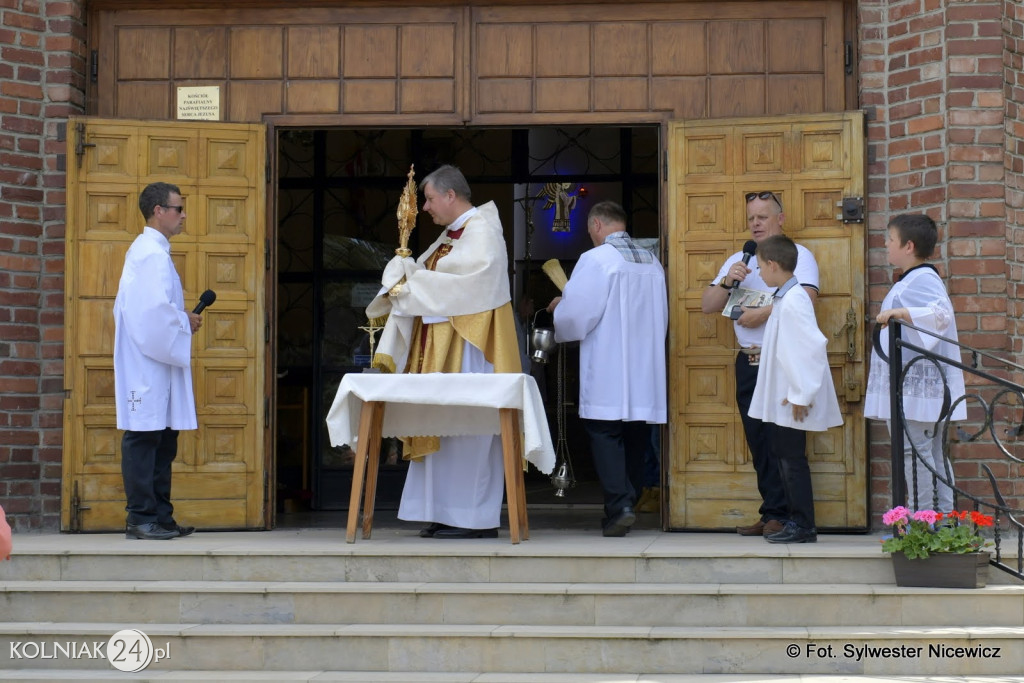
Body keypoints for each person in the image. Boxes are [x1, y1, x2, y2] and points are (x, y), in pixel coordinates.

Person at [366, 164, 521, 539]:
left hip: (470, 350)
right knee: (440, 428)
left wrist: (407, 286)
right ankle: (444, 512)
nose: (426, 209)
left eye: (431, 199)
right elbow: (431, 281)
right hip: (437, 348)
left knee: (468, 432)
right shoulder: (449, 237)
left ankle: (474, 519)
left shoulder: (482, 234)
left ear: (451, 196)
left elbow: (465, 289)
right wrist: (404, 276)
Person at [701, 191, 820, 537]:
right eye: (751, 218)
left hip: (781, 360)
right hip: (749, 362)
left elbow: (806, 298)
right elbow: (708, 305)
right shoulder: (740, 259)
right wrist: (727, 281)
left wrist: (762, 313)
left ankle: (795, 519)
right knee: (760, 444)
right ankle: (773, 513)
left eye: (763, 217)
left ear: (779, 220)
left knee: (785, 444)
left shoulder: (797, 256)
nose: (755, 223)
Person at [546, 201, 667, 536]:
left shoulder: (596, 259)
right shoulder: (652, 262)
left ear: (596, 224)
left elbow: (577, 315)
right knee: (636, 433)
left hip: (609, 361)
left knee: (605, 432)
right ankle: (627, 499)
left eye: (589, 230)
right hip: (644, 366)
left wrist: (560, 310)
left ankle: (620, 506)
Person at [113, 182, 200, 540]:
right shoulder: (148, 254)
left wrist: (179, 320)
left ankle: (161, 516)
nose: (183, 215)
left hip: (158, 362)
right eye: (178, 209)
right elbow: (151, 315)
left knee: (164, 439)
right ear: (158, 211)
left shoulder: (155, 252)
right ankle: (140, 517)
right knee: (144, 438)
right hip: (146, 364)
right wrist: (185, 321)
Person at [864, 214, 966, 512]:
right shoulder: (913, 279)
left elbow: (940, 315)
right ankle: (942, 518)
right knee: (927, 453)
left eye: (890, 240)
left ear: (908, 246)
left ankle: (926, 522)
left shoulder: (923, 280)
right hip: (908, 384)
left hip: (915, 387)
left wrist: (902, 313)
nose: (885, 244)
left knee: (916, 454)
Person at [747, 235, 842, 543]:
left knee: (791, 460)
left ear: (773, 265)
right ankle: (794, 521)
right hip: (784, 395)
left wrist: (801, 393)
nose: (759, 273)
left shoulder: (794, 300)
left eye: (761, 267)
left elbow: (808, 347)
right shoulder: (783, 297)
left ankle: (803, 525)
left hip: (791, 397)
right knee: (782, 456)